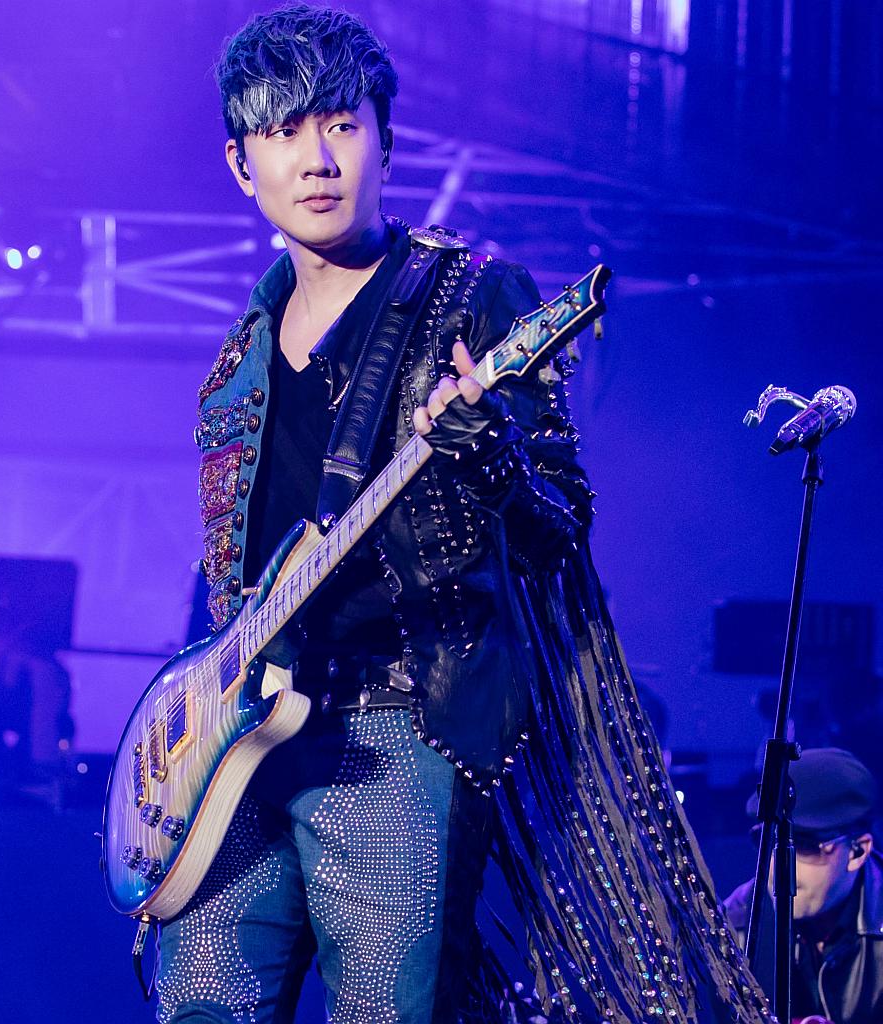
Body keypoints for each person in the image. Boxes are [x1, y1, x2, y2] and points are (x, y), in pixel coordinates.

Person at [159, 6, 767, 1022]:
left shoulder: (472, 301)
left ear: (386, 140)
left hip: (400, 725)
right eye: (284, 131)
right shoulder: (236, 362)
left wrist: (489, 453)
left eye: (342, 125)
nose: (317, 158)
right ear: (240, 164)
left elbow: (559, 524)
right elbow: (226, 585)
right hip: (235, 749)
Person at [723, 747, 883, 1024]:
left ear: (857, 851)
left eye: (806, 845)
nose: (779, 864)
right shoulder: (736, 925)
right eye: (769, 840)